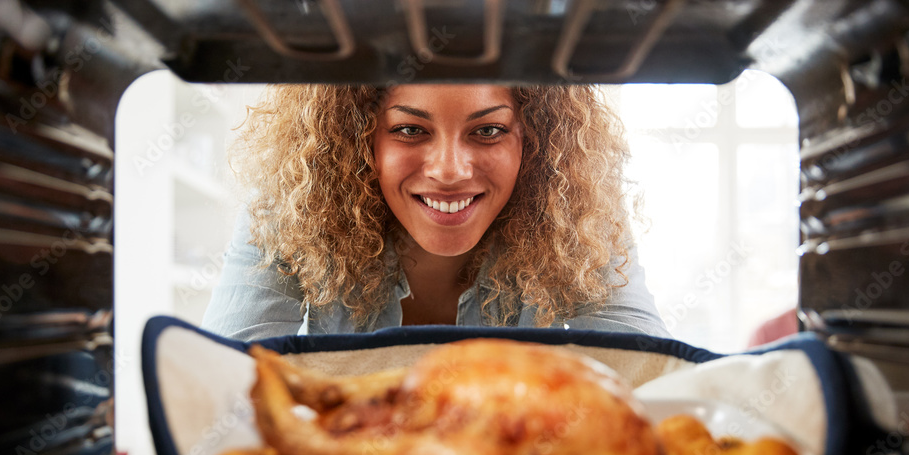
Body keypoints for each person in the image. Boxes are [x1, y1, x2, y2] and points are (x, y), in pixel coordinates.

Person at [201, 84, 669, 341]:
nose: (449, 171)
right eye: (409, 129)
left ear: (535, 138)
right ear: (359, 136)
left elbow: (645, 379)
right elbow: (224, 395)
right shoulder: (294, 204)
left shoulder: (575, 211)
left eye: (487, 131)